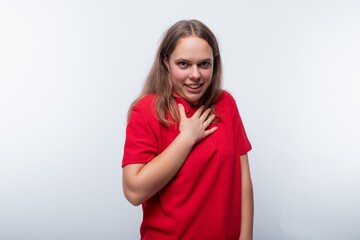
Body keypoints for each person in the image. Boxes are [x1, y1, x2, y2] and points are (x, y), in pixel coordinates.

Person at [122, 19, 253, 240]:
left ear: (215, 64)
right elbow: (134, 192)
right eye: (183, 64)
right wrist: (187, 138)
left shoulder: (226, 103)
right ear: (166, 62)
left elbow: (243, 181)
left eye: (204, 64)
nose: (196, 75)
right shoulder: (146, 110)